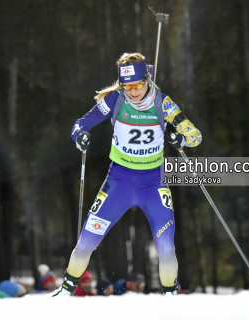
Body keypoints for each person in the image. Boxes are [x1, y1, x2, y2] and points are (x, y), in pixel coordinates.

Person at [51, 52, 201, 297]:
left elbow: (195, 137)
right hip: (118, 182)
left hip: (153, 184)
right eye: (127, 87)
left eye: (137, 86)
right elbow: (81, 123)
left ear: (147, 80)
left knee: (165, 247)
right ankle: (66, 290)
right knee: (86, 242)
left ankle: (171, 299)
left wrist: (180, 137)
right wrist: (80, 136)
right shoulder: (114, 101)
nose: (132, 92)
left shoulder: (163, 103)